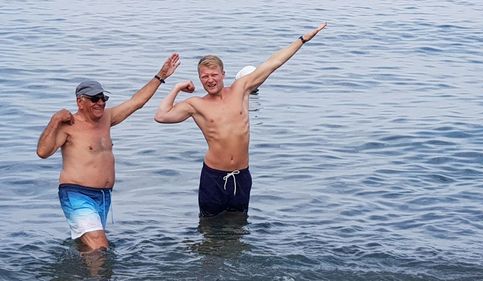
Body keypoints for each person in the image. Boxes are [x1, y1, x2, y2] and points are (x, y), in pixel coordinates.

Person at [154, 23, 326, 218]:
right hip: (213, 177)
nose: (210, 80)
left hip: (242, 175)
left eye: (214, 75)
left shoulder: (241, 89)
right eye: (205, 77)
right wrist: (177, 87)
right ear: (200, 79)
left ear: (223, 75)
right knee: (209, 230)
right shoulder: (196, 104)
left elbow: (273, 63)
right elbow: (161, 116)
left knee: (239, 227)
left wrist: (303, 39)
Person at [37, 53, 180, 251]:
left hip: (103, 196)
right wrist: (54, 120)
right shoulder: (67, 126)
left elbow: (136, 102)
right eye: (94, 99)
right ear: (80, 102)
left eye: (103, 98)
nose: (100, 103)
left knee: (87, 248)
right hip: (77, 193)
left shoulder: (107, 118)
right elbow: (43, 152)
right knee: (99, 247)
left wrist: (161, 76)